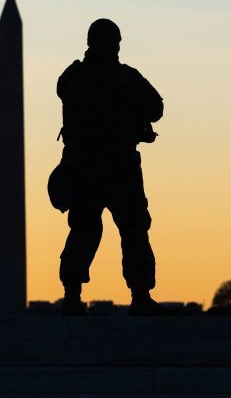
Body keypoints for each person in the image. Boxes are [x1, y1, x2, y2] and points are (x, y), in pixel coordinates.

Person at [56, 19, 168, 316]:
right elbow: (156, 108)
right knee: (133, 231)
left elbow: (63, 94)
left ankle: (71, 295)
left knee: (83, 230)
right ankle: (141, 295)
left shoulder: (73, 78)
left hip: (83, 167)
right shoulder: (126, 78)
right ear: (115, 43)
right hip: (120, 167)